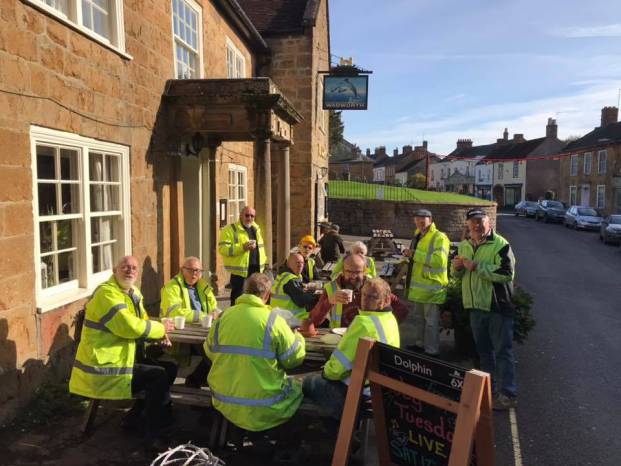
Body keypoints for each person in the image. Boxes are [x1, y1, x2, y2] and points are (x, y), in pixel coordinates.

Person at [69, 256, 177, 448]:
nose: (130, 270)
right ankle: (156, 435)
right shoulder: (106, 294)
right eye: (125, 267)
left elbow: (141, 319)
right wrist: (161, 328)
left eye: (134, 268)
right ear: (114, 270)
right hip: (105, 368)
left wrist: (157, 336)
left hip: (122, 361)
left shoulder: (132, 292)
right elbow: (127, 326)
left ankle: (135, 418)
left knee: (170, 368)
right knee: (157, 376)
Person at [204, 273, 306, 432]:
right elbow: (293, 359)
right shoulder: (273, 320)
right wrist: (298, 337)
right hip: (265, 403)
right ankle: (284, 438)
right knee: (297, 386)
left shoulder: (223, 317)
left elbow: (210, 351)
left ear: (244, 292)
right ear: (267, 295)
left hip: (224, 398)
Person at [303, 278, 400, 419]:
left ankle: (333, 428)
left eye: (373, 297)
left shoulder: (363, 323)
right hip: (378, 390)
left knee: (307, 382)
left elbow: (335, 371)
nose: (365, 299)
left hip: (357, 393)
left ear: (385, 301)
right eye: (364, 295)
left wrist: (325, 371)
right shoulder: (390, 319)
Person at [451, 209, 517, 411]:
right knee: (484, 352)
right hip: (475, 307)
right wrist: (457, 268)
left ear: (489, 223)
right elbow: (456, 276)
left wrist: (477, 266)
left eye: (481, 221)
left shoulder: (501, 245)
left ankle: (508, 394)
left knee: (502, 352)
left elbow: (507, 273)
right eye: (473, 222)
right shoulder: (463, 245)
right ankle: (489, 390)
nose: (477, 226)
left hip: (496, 307)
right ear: (468, 225)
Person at [160, 256, 217, 388]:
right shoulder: (172, 287)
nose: (194, 273)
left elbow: (214, 306)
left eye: (197, 270)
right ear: (182, 270)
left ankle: (198, 381)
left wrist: (217, 313)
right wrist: (203, 316)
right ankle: (195, 382)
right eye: (190, 270)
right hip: (185, 332)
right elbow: (175, 312)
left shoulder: (203, 286)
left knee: (219, 352)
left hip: (205, 330)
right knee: (212, 354)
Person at [308, 254, 408, 328]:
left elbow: (401, 309)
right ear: (342, 271)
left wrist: (384, 327)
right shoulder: (331, 288)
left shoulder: (374, 286)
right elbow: (313, 321)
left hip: (367, 337)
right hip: (339, 339)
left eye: (357, 272)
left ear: (364, 271)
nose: (353, 276)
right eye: (349, 271)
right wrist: (329, 302)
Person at [402, 209, 450, 356]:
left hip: (432, 288)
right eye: (417, 219)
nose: (420, 221)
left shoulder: (439, 237)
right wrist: (407, 256)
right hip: (419, 288)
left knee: (431, 322)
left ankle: (431, 351)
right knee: (419, 320)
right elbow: (416, 260)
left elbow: (439, 261)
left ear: (430, 219)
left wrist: (415, 254)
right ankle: (420, 344)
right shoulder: (417, 235)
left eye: (423, 219)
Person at [218, 206, 268, 306]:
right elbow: (222, 249)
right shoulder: (230, 229)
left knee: (256, 297)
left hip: (256, 269)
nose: (249, 218)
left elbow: (261, 248)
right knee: (238, 297)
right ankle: (234, 317)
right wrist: (242, 247)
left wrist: (265, 263)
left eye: (252, 216)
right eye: (247, 215)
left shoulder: (256, 228)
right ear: (241, 215)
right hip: (240, 271)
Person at [271, 252, 319, 321]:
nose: (300, 265)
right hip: (291, 319)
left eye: (302, 263)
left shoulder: (282, 275)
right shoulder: (290, 279)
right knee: (323, 318)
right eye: (297, 262)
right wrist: (317, 297)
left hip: (279, 316)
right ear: (288, 264)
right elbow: (301, 301)